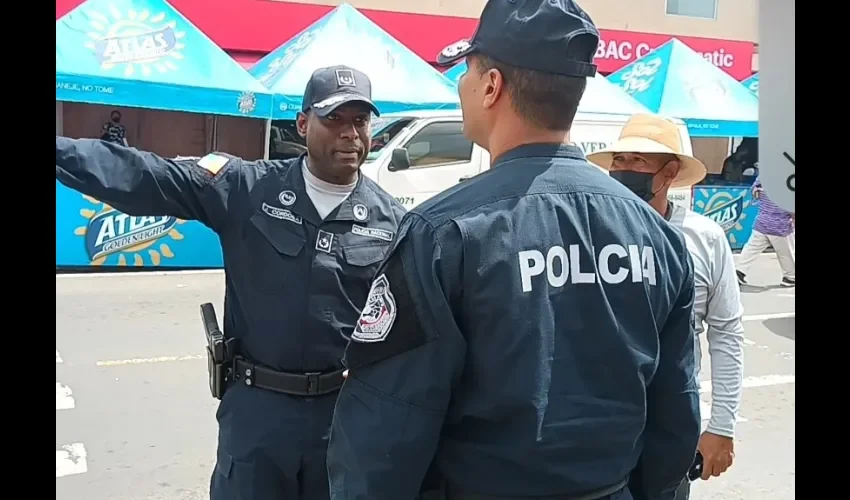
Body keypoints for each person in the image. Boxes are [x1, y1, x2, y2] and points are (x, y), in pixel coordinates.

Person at [325, 1, 701, 499]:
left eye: (466, 71)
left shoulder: (443, 232)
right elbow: (675, 417)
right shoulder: (657, 235)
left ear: (491, 86)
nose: (461, 86)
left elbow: (383, 434)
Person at [56, 65, 406, 500]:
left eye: (360, 120)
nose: (350, 133)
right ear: (302, 124)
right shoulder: (246, 188)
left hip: (342, 419)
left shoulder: (392, 222)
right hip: (257, 415)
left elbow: (409, 333)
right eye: (334, 118)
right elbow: (146, 175)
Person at [587, 114, 746, 500]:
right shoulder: (592, 231)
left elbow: (726, 334)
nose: (625, 170)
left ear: (670, 172)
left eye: (638, 161)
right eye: (619, 161)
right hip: (598, 430)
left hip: (671, 428)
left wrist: (720, 426)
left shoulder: (703, 239)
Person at [735, 177, 795, 287]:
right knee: (786, 253)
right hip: (780, 226)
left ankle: (739, 271)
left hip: (762, 222)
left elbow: (754, 192)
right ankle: (790, 277)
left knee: (750, 249)